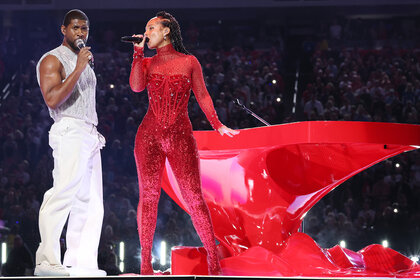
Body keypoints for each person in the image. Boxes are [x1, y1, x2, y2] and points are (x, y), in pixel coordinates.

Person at [129, 11, 239, 275]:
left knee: (194, 198)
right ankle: (146, 266)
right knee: (148, 197)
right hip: (149, 135)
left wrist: (217, 125)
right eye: (146, 29)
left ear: (167, 31)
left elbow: (202, 95)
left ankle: (214, 264)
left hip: (180, 135)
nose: (147, 33)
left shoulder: (189, 61)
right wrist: (137, 54)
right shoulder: (145, 62)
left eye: (152, 28)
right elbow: (135, 87)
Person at [34, 9, 106, 276]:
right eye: (75, 28)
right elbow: (52, 99)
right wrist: (78, 69)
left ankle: (81, 262)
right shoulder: (51, 59)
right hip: (68, 129)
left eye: (84, 29)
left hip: (89, 133)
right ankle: (46, 260)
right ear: (63, 30)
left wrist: (81, 66)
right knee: (62, 193)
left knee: (90, 202)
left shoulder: (82, 59)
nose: (80, 33)